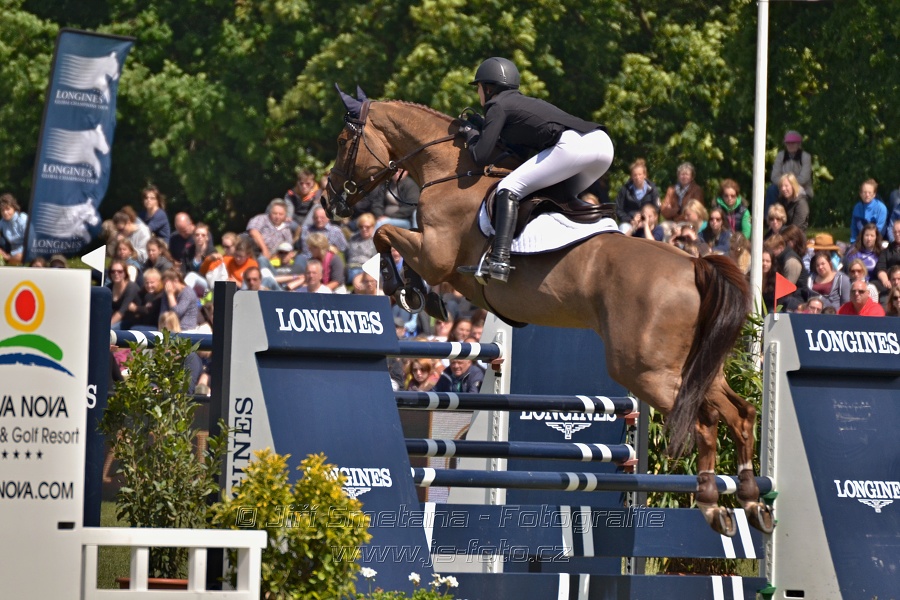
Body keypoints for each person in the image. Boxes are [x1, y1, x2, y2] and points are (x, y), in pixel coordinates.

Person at [458, 56, 614, 282]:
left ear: (489, 88)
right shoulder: (519, 104)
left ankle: (500, 259)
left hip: (572, 146)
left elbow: (479, 155)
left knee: (508, 188)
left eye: (479, 88)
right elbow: (518, 153)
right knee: (557, 197)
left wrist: (470, 134)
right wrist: (483, 127)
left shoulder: (497, 105)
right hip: (601, 145)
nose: (478, 94)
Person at [766, 130, 813, 210]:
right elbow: (774, 176)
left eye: (793, 143)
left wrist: (790, 185)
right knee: (771, 189)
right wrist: (784, 185)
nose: (790, 145)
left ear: (799, 144)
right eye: (788, 143)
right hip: (782, 187)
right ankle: (768, 218)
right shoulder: (780, 156)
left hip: (801, 188)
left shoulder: (805, 157)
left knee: (799, 195)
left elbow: (804, 178)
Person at [615, 158, 660, 234]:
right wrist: (630, 220)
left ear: (645, 175)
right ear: (631, 176)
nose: (637, 177)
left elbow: (657, 208)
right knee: (623, 230)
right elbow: (618, 209)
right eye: (635, 175)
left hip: (648, 222)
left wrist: (646, 220)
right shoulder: (625, 190)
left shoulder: (652, 189)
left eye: (640, 174)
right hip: (630, 222)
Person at [850, 179, 887, 244]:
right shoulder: (857, 208)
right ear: (860, 194)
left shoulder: (881, 208)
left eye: (870, 193)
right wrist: (853, 243)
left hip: (876, 242)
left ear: (874, 194)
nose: (867, 195)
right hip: (859, 242)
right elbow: (854, 228)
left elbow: (879, 230)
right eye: (864, 192)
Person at [346, 213, 378, 289]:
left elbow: (376, 261)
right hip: (352, 268)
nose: (364, 229)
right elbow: (347, 256)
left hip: (369, 270)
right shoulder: (353, 239)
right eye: (361, 227)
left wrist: (361, 275)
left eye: (367, 227)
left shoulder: (376, 241)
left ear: (373, 227)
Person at [107, 259, 141, 330]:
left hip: (132, 320)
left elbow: (121, 312)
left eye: (120, 271)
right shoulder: (109, 287)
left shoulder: (131, 287)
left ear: (125, 273)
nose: (116, 274)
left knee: (110, 330)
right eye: (113, 271)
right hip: (116, 319)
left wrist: (106, 327)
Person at [0, 193, 28, 265]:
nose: (5, 213)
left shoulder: (23, 219)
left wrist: (11, 256)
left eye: (7, 209)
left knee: (19, 256)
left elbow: (29, 243)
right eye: (2, 210)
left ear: (14, 208)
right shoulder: (2, 222)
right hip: (9, 252)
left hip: (24, 252)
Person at [761, 249, 777, 313]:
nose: (764, 264)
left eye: (768, 261)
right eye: (762, 260)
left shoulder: (775, 280)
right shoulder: (749, 277)